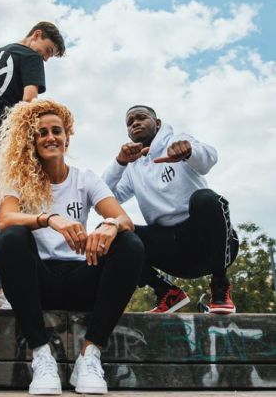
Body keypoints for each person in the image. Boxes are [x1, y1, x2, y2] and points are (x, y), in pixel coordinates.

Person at [0, 100, 145, 395]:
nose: (50, 137)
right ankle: (41, 355)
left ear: (67, 137)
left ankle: (89, 355)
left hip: (81, 278)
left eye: (56, 131)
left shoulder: (85, 179)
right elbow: (7, 219)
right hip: (38, 282)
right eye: (42, 132)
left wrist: (110, 225)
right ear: (31, 141)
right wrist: (49, 219)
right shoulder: (18, 181)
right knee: (12, 237)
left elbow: (123, 218)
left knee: (130, 243)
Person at [0, 22, 66, 306]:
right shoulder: (28, 56)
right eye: (47, 51)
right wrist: (16, 140)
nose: (44, 59)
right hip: (7, 138)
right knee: (7, 205)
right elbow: (29, 102)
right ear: (36, 35)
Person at [102, 105, 239, 314]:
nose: (135, 123)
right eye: (130, 123)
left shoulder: (177, 141)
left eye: (141, 118)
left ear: (157, 123)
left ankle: (220, 285)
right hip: (170, 250)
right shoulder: (132, 167)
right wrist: (120, 163)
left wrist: (189, 152)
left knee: (206, 199)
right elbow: (104, 196)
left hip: (208, 244)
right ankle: (167, 292)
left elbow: (210, 157)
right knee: (110, 232)